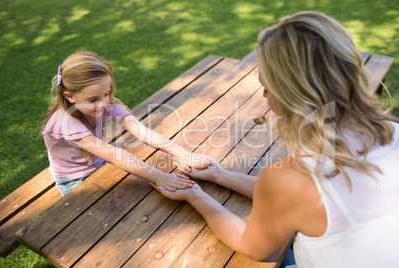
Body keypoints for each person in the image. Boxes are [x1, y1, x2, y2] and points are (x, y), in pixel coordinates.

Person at [151, 11, 399, 267]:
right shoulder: (392, 132)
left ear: (292, 98)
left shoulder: (289, 178)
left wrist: (195, 195)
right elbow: (288, 197)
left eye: (268, 89)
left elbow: (254, 246)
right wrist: (218, 174)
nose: (264, 98)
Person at [42, 51, 210, 196]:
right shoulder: (66, 122)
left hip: (100, 163)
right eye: (93, 99)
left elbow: (141, 131)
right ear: (69, 96)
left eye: (106, 94)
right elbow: (114, 154)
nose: (103, 103)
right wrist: (160, 177)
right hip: (74, 179)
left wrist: (180, 152)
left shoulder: (100, 103)